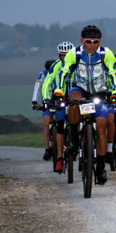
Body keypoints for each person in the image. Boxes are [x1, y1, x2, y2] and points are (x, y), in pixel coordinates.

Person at [54, 26, 116, 185]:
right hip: (80, 89)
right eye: (88, 42)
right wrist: (58, 90)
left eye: (95, 42)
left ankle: (101, 166)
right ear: (82, 41)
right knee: (74, 104)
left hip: (100, 91)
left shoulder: (106, 53)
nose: (91, 45)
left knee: (102, 126)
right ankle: (74, 140)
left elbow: (113, 73)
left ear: (100, 42)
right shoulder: (74, 54)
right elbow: (63, 72)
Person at [41, 41, 75, 172]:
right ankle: (60, 158)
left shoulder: (79, 65)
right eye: (62, 55)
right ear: (59, 56)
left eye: (68, 55)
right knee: (60, 125)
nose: (65, 58)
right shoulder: (56, 66)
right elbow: (47, 83)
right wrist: (46, 99)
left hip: (75, 98)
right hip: (61, 98)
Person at [32, 58, 57, 161]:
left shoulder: (60, 73)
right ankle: (47, 149)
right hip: (47, 102)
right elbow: (37, 87)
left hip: (59, 101)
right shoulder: (42, 74)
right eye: (48, 70)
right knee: (46, 123)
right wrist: (34, 101)